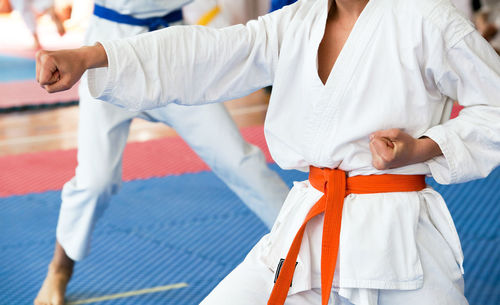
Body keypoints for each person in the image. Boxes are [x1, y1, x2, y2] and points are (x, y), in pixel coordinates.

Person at [36, 0, 500, 304]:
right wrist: (93, 56)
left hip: (400, 244)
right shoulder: (297, 22)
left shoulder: (426, 21)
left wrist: (424, 147)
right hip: (307, 232)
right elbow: (210, 51)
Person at [33, 1, 290, 305]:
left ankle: (304, 244)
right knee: (94, 181)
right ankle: (59, 269)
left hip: (172, 50)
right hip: (105, 48)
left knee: (240, 161)